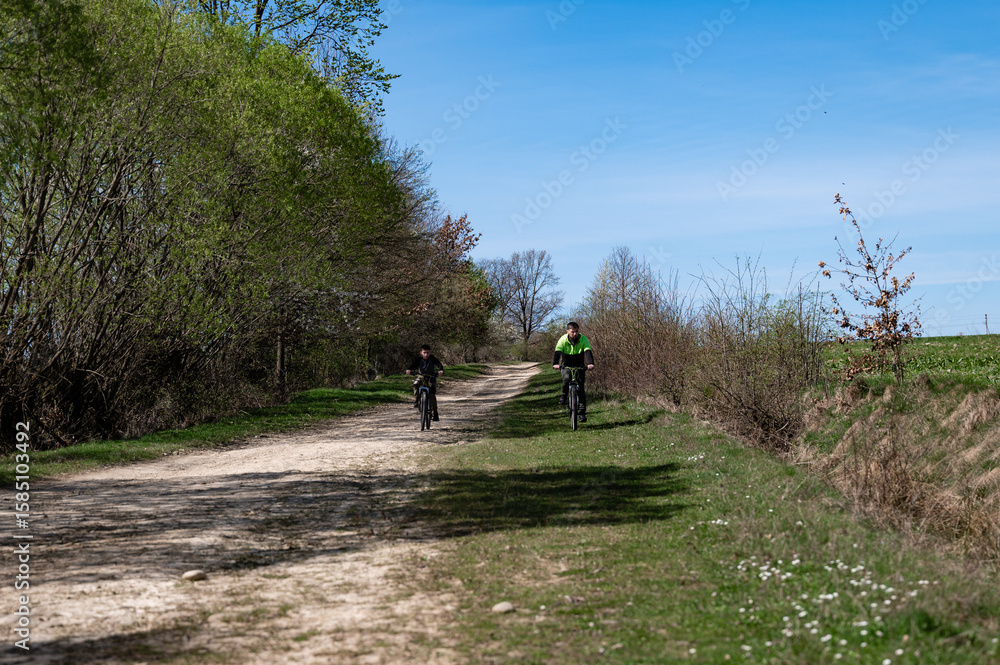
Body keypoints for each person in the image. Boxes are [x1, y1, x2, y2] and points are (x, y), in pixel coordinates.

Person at [552, 321, 595, 422]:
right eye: (572, 332)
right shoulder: (562, 340)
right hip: (566, 365)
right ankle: (563, 395)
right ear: (567, 331)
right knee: (566, 378)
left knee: (581, 388)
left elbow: (588, 351)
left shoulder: (583, 339)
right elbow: (557, 353)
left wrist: (591, 363)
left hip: (579, 366)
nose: (575, 334)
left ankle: (582, 413)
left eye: (576, 332)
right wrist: (555, 363)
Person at [406, 344, 444, 421]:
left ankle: (435, 413)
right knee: (416, 384)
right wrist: (409, 370)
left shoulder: (432, 358)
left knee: (432, 395)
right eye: (424, 352)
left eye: (427, 352)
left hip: (431, 377)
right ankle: (417, 400)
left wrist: (440, 370)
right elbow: (413, 365)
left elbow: (439, 364)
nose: (426, 354)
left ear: (430, 352)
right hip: (421, 376)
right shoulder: (418, 359)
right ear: (421, 352)